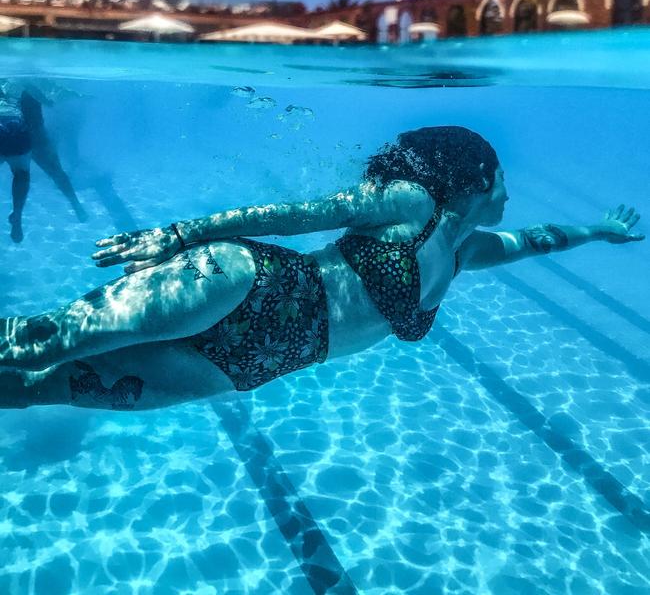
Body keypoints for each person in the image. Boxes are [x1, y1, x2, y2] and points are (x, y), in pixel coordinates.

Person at [0, 126, 642, 410]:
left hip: (249, 366)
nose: (510, 193)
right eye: (504, 179)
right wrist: (180, 232)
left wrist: (599, 230)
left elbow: (536, 239)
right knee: (42, 342)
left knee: (35, 391)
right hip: (248, 286)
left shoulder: (464, 252)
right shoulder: (410, 203)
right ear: (476, 180)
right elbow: (296, 215)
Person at [0, 81, 86, 242]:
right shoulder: (28, 77)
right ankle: (76, 205)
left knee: (27, 173)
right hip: (35, 134)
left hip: (13, 130)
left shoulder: (11, 79)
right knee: (55, 173)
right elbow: (48, 94)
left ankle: (17, 215)